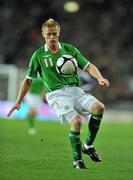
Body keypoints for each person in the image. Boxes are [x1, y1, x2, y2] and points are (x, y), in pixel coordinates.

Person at [7, 18, 110, 169]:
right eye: (49, 34)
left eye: (54, 34)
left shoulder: (69, 50)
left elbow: (88, 66)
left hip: (75, 90)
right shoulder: (38, 55)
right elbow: (27, 80)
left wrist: (100, 77)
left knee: (99, 107)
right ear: (43, 34)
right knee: (76, 121)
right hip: (56, 95)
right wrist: (18, 101)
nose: (52, 37)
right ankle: (78, 161)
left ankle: (87, 145)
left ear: (59, 33)